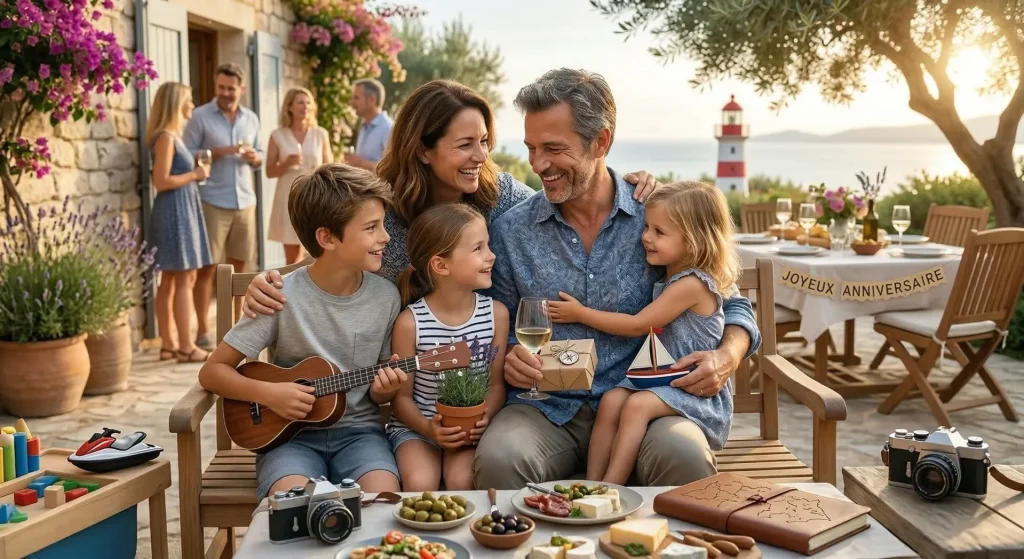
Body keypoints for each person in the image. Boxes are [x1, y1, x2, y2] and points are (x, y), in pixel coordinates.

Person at [475, 68, 761, 489]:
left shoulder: (660, 215)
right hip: (546, 409)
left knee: (684, 456)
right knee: (500, 459)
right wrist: (512, 357)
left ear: (602, 141)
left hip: (646, 404)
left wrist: (727, 356)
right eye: (532, 148)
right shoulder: (512, 230)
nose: (538, 164)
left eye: (554, 148)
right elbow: (498, 325)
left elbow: (728, 297)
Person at [240, 79, 660, 313]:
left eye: (484, 140)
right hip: (398, 386)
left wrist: (638, 188)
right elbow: (331, 260)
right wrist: (273, 279)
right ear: (423, 149)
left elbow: (568, 198)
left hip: (482, 378)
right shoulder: (382, 210)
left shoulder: (502, 198)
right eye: (465, 145)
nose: (481, 156)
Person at [198, 163, 406, 500]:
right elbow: (212, 372)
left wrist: (387, 389)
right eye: (371, 227)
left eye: (383, 224)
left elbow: (377, 393)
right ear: (327, 238)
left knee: (382, 500)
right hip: (288, 440)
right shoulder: (279, 296)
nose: (385, 237)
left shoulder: (386, 297)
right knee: (291, 503)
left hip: (360, 435)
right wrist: (269, 395)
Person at [548, 181, 739, 484]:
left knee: (637, 405)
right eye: (647, 226)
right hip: (664, 378)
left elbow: (638, 325)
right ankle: (592, 484)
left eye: (659, 232)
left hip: (694, 388)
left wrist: (580, 313)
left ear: (695, 240)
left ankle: (611, 489)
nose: (645, 237)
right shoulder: (674, 277)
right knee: (612, 400)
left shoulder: (691, 284)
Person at [389, 204, 508, 491]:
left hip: (468, 431)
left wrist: (485, 416)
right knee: (420, 484)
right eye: (478, 248)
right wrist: (429, 428)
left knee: (461, 481)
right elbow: (401, 399)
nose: (491, 256)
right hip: (417, 429)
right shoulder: (410, 323)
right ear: (441, 265)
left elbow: (495, 385)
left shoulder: (496, 314)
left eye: (487, 245)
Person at [184, 62, 263, 351]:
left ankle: (237, 330)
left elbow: (261, 155)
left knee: (240, 269)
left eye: (231, 88)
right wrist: (219, 152)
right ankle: (203, 331)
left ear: (241, 89)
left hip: (245, 201)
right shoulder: (200, 117)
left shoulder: (251, 118)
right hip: (213, 201)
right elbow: (187, 154)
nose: (226, 93)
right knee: (208, 268)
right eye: (221, 88)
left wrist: (254, 157)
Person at [146, 82, 213, 363]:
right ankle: (186, 346)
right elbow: (160, 181)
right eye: (189, 100)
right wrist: (195, 174)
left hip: (180, 207)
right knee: (183, 275)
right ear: (176, 103)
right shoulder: (166, 138)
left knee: (172, 279)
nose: (193, 105)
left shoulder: (174, 136)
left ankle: (169, 345)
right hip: (174, 209)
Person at [266, 87, 332, 264]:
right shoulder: (277, 135)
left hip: (315, 196)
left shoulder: (320, 134)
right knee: (292, 256)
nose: (306, 106)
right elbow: (269, 171)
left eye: (308, 102)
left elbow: (330, 168)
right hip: (288, 195)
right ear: (289, 107)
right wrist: (286, 163)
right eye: (301, 102)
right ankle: (292, 291)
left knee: (318, 251)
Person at [345, 78, 393, 172]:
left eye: (356, 98)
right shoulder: (364, 126)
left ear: (371, 100)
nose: (352, 103)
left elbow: (395, 167)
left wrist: (361, 163)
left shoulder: (387, 128)